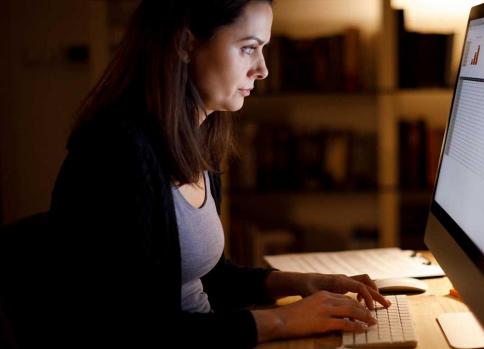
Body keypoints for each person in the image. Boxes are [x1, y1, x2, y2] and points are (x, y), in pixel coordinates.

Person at [38, 0, 390, 348]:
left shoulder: (197, 139)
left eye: (263, 49)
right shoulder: (116, 154)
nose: (263, 69)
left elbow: (210, 279)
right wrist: (284, 319)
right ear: (185, 44)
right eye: (249, 48)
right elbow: (136, 330)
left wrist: (304, 283)